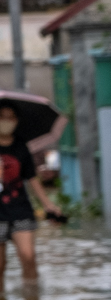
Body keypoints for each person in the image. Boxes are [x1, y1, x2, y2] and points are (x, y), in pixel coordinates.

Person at [0, 109, 63, 287]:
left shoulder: (21, 146)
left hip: (20, 209)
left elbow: (31, 177)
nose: (6, 121)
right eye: (1, 117)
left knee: (28, 256)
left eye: (10, 117)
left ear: (16, 120)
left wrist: (48, 205)